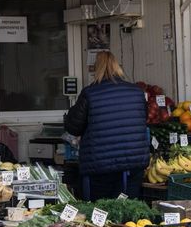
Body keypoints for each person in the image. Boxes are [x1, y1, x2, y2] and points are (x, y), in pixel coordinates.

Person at [63, 51, 149, 200]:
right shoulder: (136, 91)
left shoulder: (90, 93)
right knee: (128, 207)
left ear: (97, 69)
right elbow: (143, 119)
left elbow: (73, 127)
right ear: (117, 67)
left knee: (100, 209)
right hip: (133, 163)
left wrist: (70, 114)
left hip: (100, 165)